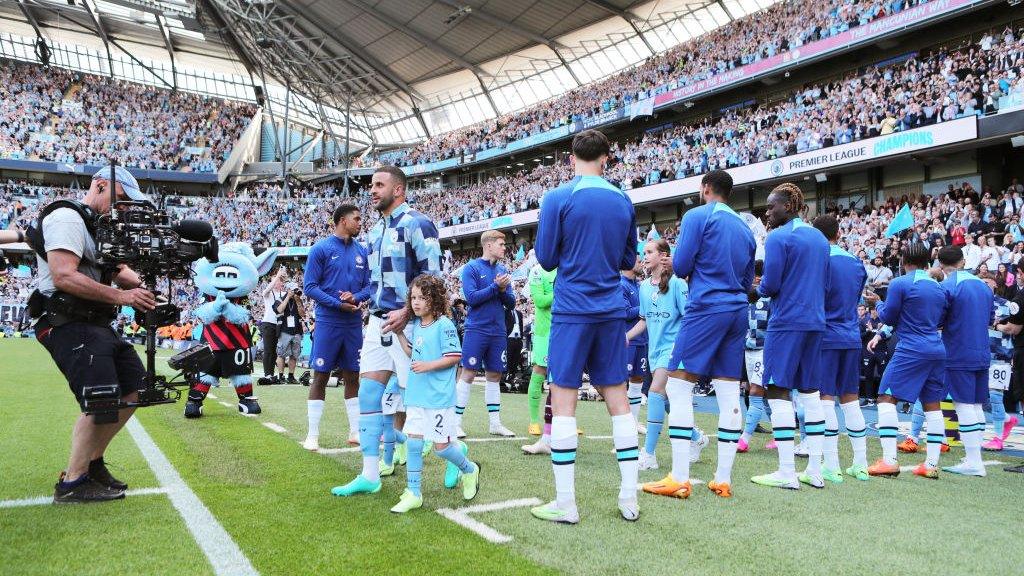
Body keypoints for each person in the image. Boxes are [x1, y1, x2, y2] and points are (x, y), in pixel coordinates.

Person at [531, 129, 639, 524]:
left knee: (563, 400)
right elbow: (629, 258)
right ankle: (629, 498)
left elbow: (544, 258)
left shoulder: (558, 197)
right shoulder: (622, 199)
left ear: (570, 157)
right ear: (607, 158)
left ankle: (566, 503)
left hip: (573, 310)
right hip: (611, 309)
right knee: (618, 399)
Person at [33, 164, 157, 502]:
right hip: (65, 320)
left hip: (95, 322)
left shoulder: (99, 226)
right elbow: (64, 275)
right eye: (121, 199)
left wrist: (146, 289)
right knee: (100, 397)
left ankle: (91, 462)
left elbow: (119, 271)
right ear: (100, 186)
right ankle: (72, 483)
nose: (126, 208)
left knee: (137, 387)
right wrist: (123, 296)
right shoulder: (67, 218)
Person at [332, 166, 441, 497]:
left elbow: (435, 279)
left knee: (422, 404)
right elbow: (377, 284)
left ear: (399, 190)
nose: (373, 190)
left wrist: (408, 312)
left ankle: (456, 458)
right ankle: (369, 474)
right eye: (371, 185)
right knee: (368, 394)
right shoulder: (375, 231)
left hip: (410, 325)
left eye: (380, 184)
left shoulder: (418, 224)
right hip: (378, 323)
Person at [668, 169, 755, 499]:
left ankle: (679, 477)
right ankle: (723, 478)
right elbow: (748, 281)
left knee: (677, 386)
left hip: (707, 306)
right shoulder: (746, 230)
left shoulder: (697, 215)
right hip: (736, 310)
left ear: (705, 188)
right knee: (729, 393)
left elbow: (681, 266)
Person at [751, 183, 830, 490]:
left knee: (777, 390)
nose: (767, 212)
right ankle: (814, 470)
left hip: (787, 322)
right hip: (815, 321)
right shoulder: (819, 238)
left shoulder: (778, 237)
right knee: (811, 393)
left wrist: (752, 291)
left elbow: (770, 286)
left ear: (790, 206)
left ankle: (786, 473)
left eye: (772, 207)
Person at [390, 274, 480, 512]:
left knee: (442, 449)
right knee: (414, 443)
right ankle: (414, 492)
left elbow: (453, 357)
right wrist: (399, 333)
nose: (416, 302)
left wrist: (427, 366)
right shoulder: (417, 325)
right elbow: (413, 354)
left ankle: (469, 469)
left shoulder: (444, 325)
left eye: (422, 297)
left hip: (439, 398)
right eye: (413, 298)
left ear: (436, 299)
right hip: (417, 396)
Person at [862, 244, 949, 478]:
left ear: (904, 261)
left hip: (911, 348)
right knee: (932, 405)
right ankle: (931, 465)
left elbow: (888, 316)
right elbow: (942, 320)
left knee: (885, 398)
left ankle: (889, 460)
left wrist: (876, 302)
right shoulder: (940, 288)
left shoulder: (900, 283)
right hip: (936, 348)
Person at [627, 239, 705, 498]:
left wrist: (681, 349)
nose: (644, 256)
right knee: (668, 400)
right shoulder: (642, 288)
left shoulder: (678, 284)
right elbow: (644, 320)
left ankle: (648, 454)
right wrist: (626, 337)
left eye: (649, 252)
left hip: (674, 349)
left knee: (657, 392)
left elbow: (689, 318)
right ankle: (696, 437)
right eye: (643, 253)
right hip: (654, 349)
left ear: (663, 257)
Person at [302, 204, 371, 452]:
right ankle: (312, 434)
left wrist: (355, 298)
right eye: (357, 218)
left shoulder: (361, 251)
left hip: (353, 323)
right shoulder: (320, 249)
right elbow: (309, 287)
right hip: (328, 322)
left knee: (353, 375)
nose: (360, 222)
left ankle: (355, 431)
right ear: (343, 220)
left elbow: (369, 287)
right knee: (320, 376)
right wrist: (337, 304)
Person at [812, 215, 870, 482]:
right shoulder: (856, 263)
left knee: (824, 399)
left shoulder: (819, 260)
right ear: (837, 233)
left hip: (826, 336)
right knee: (850, 400)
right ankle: (860, 464)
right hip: (851, 336)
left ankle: (831, 465)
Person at [935, 246, 992, 476]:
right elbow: (990, 319)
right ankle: (973, 457)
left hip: (959, 352)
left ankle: (974, 461)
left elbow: (937, 320)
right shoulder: (983, 285)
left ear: (940, 264)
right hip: (982, 350)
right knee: (976, 405)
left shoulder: (948, 286)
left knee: (964, 405)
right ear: (963, 260)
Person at [454, 230, 515, 438]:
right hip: (477, 328)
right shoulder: (471, 268)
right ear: (488, 245)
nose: (504, 247)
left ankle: (495, 423)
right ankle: (455, 422)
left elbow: (512, 302)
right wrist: (495, 287)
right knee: (468, 372)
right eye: (501, 244)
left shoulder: (503, 270)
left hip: (498, 330)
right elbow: (471, 298)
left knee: (495, 375)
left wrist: (503, 289)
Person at [739, 260, 770, 453]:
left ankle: (744, 439)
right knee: (766, 395)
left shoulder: (769, 299)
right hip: (747, 350)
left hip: (764, 350)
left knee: (756, 392)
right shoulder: (744, 298)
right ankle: (785, 435)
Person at [524, 263, 556, 443]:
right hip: (545, 332)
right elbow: (540, 301)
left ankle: (564, 419)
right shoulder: (537, 270)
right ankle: (534, 421)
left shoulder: (566, 266)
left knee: (564, 376)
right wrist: (563, 291)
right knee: (540, 371)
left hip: (566, 330)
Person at [621, 258, 649, 433]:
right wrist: (645, 308)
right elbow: (623, 312)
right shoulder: (621, 285)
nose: (641, 263)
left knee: (638, 380)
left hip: (643, 340)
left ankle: (635, 422)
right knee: (622, 382)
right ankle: (624, 426)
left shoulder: (640, 285)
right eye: (637, 260)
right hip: (628, 341)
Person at [257, 267, 287, 384]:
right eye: (275, 281)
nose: (276, 283)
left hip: (279, 324)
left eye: (279, 281)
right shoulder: (268, 294)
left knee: (274, 351)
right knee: (268, 350)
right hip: (268, 323)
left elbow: (291, 292)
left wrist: (283, 276)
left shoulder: (283, 293)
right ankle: (267, 373)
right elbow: (267, 289)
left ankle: (271, 373)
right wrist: (276, 276)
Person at [274, 281, 306, 384]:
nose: (296, 292)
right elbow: (279, 310)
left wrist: (297, 301)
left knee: (294, 355)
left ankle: (291, 376)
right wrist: (288, 297)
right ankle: (280, 376)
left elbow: (302, 314)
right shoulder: (280, 299)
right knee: (281, 354)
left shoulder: (298, 300)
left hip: (296, 331)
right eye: (293, 290)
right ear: (288, 290)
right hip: (284, 330)